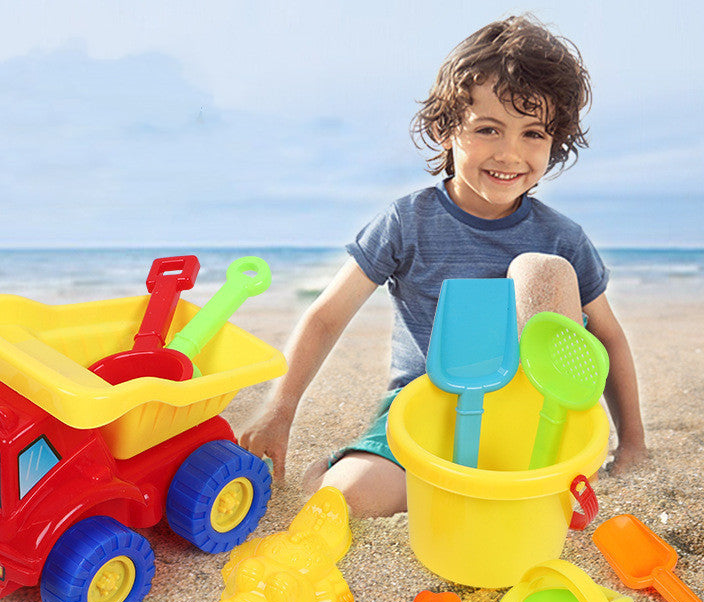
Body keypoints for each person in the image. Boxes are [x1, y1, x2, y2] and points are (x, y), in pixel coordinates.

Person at [240, 15, 649, 517]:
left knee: (541, 270)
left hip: (528, 418)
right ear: (445, 129)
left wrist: (632, 444)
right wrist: (280, 411)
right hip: (427, 409)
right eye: (488, 128)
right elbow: (327, 316)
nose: (510, 153)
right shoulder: (408, 221)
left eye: (533, 133)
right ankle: (370, 470)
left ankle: (516, 475)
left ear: (554, 142)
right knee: (344, 500)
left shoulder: (561, 237)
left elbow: (606, 337)